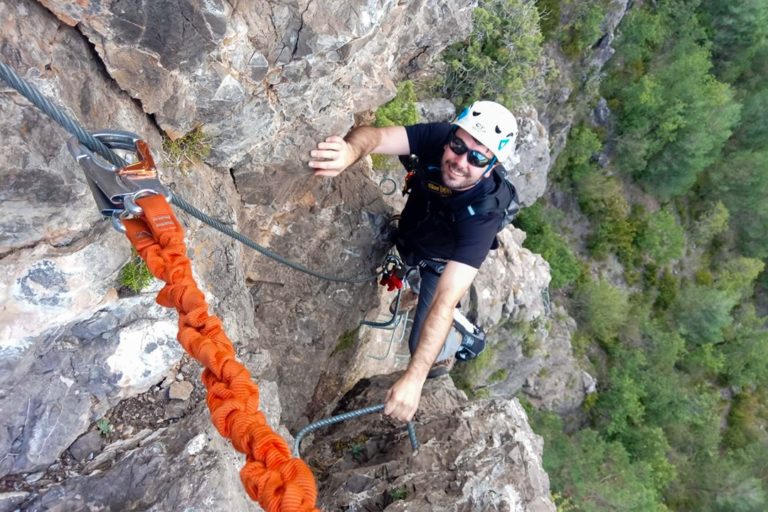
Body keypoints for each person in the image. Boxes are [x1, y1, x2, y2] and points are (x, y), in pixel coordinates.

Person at [309, 101, 518, 422]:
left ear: (490, 168)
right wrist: (351, 152)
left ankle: (461, 335)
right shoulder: (440, 138)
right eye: (459, 145)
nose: (460, 160)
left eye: (477, 158)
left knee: (420, 344)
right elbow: (375, 136)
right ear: (453, 136)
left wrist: (414, 378)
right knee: (411, 270)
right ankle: (414, 286)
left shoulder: (483, 215)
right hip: (412, 236)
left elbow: (446, 302)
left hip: (440, 261)